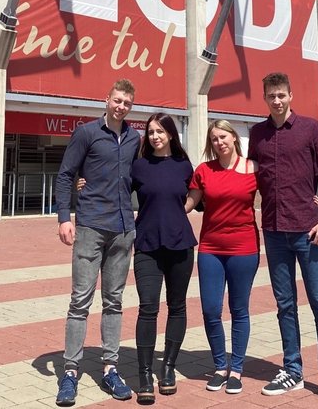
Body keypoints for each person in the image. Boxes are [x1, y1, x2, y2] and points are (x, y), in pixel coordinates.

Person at [248, 72, 318, 409]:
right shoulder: (257, 134)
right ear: (264, 98)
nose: (276, 101)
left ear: (291, 95)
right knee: (284, 305)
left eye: (281, 95)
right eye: (271, 96)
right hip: (275, 231)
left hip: (309, 232)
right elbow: (249, 178)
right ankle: (292, 370)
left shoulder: (310, 129)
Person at [54, 79, 140, 407]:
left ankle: (110, 367)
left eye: (127, 103)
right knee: (80, 301)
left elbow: (146, 175)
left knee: (114, 301)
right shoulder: (87, 133)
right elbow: (65, 174)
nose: (121, 106)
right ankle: (71, 372)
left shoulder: (136, 139)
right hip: (90, 225)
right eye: (117, 100)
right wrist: (65, 217)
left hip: (122, 230)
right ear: (106, 99)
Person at [185, 119, 259, 396]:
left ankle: (236, 369)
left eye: (223, 136)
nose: (220, 142)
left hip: (244, 248)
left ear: (234, 138)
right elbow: (189, 204)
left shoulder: (253, 168)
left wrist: (310, 201)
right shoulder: (204, 170)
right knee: (210, 309)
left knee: (239, 310)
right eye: (214, 139)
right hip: (210, 249)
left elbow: (273, 196)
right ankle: (219, 366)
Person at [131, 113, 197, 405]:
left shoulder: (184, 166)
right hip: (146, 245)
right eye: (151, 131)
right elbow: (117, 191)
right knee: (147, 307)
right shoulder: (139, 166)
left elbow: (198, 192)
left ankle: (167, 367)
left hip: (180, 244)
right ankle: (144, 374)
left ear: (171, 134)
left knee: (177, 306)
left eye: (160, 131)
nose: (155, 136)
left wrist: (185, 207)